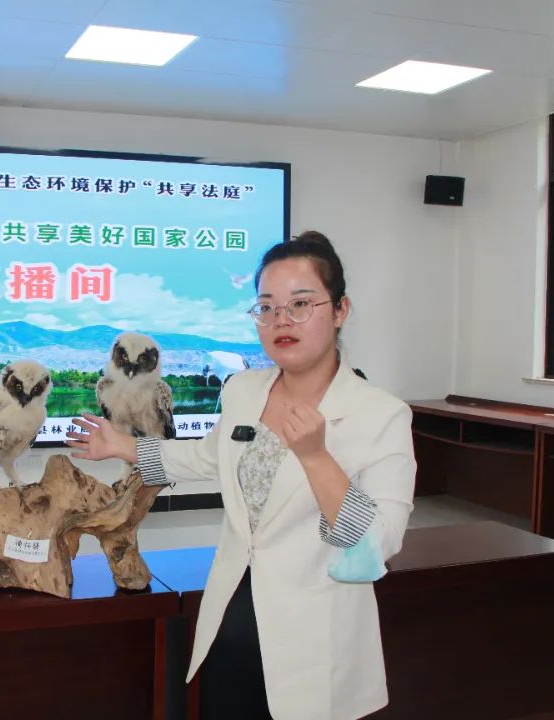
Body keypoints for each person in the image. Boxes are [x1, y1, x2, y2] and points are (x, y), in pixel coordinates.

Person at [66, 231, 416, 720]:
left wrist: (316, 458)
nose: (281, 320)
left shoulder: (381, 414)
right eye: (266, 307)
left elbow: (378, 545)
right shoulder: (244, 391)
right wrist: (122, 446)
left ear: (340, 310)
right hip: (230, 626)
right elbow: (206, 458)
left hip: (314, 645)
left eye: (300, 304)